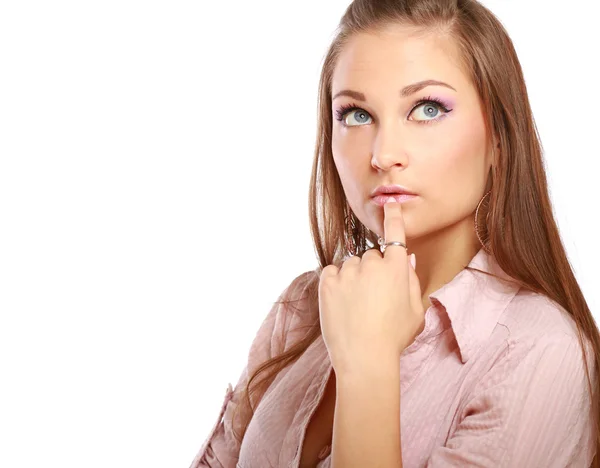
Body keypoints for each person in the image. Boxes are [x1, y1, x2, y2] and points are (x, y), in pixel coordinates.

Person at [190, 0, 600, 466]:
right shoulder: (304, 308)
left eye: (427, 108)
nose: (383, 154)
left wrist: (368, 367)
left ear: (499, 141)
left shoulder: (540, 353)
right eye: (357, 115)